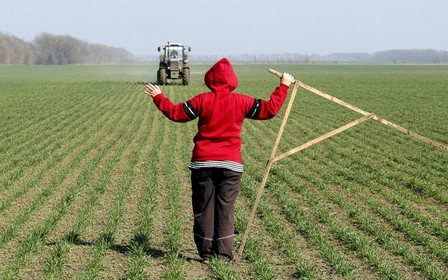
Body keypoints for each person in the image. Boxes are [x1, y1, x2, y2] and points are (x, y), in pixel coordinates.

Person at [145, 58, 294, 262]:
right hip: (231, 166)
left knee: (204, 209)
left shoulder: (202, 100)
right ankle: (223, 255)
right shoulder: (242, 101)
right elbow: (269, 110)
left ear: (210, 79)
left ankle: (206, 253)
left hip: (202, 165)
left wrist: (159, 97)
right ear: (233, 80)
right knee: (225, 209)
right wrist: (283, 85)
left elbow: (176, 114)